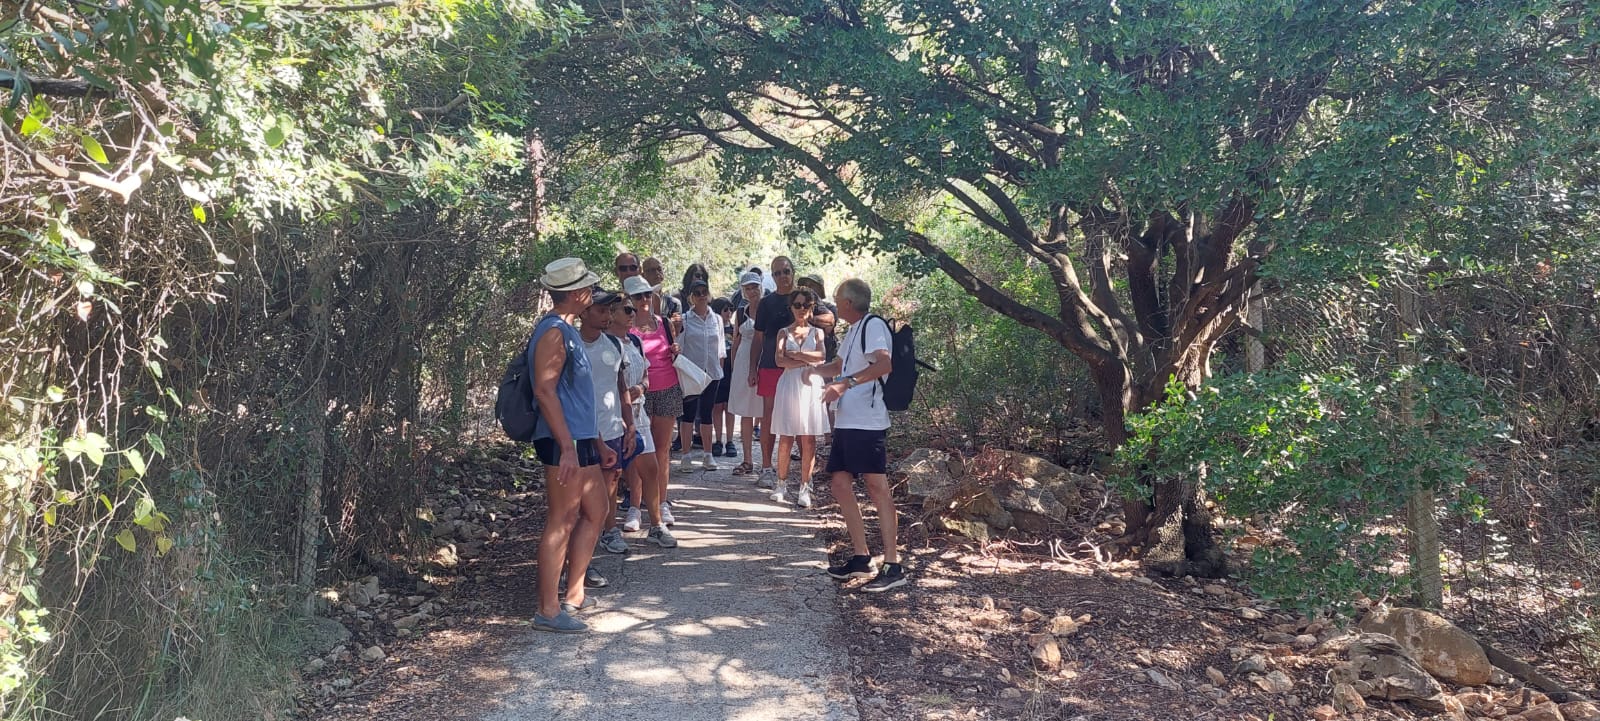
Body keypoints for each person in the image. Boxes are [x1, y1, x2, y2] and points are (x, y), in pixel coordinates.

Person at [527, 258, 617, 633]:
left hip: (581, 438)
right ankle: (548, 611)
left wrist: (595, 440)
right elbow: (544, 391)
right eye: (588, 289)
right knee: (561, 519)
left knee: (597, 509)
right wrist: (566, 446)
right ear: (577, 293)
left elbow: (577, 395)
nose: (592, 294)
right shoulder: (552, 332)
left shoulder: (567, 330)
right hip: (563, 441)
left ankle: (574, 594)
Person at [816, 278, 906, 592]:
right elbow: (840, 365)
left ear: (848, 303)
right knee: (840, 484)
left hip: (868, 421)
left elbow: (884, 364)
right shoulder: (853, 330)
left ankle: (893, 564)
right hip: (847, 420)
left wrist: (844, 384)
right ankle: (861, 557)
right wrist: (813, 370)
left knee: (876, 485)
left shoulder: (873, 326)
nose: (835, 303)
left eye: (838, 299)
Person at [612, 296, 676, 548]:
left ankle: (656, 525)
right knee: (614, 474)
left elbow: (646, 376)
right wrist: (626, 394)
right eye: (627, 309)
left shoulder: (635, 340)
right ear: (612, 313)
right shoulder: (605, 343)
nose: (633, 312)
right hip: (613, 416)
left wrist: (638, 389)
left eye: (633, 309)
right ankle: (609, 531)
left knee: (650, 468)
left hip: (639, 414)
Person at [577, 290, 637, 558]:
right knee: (584, 496)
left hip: (613, 428)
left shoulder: (614, 345)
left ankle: (609, 530)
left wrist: (630, 425)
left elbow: (621, 386)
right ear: (584, 312)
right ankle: (580, 556)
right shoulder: (572, 346)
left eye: (609, 311)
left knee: (611, 483)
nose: (607, 316)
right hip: (583, 432)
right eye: (600, 310)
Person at [625, 274, 680, 529]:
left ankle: (661, 503)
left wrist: (675, 350)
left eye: (647, 294)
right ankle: (635, 508)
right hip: (639, 394)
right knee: (637, 452)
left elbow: (671, 349)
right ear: (630, 300)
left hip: (667, 387)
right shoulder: (626, 327)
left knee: (662, 451)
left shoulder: (663, 323)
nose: (644, 300)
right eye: (638, 296)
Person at [768, 287, 829, 508]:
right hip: (790, 385)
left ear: (812, 307)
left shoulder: (817, 333)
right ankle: (781, 484)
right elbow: (779, 360)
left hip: (811, 386)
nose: (801, 309)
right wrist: (806, 360)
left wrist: (797, 355)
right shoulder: (783, 332)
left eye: (805, 305)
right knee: (786, 438)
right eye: (797, 305)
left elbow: (822, 356)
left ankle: (805, 486)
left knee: (809, 439)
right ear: (791, 307)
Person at [749, 255, 797, 489]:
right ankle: (767, 468)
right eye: (777, 273)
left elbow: (829, 318)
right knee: (768, 416)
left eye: (785, 271)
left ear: (792, 272)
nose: (782, 276)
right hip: (770, 365)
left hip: (798, 367)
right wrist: (752, 367)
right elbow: (757, 338)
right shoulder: (767, 303)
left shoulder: (804, 298)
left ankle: (787, 471)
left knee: (794, 417)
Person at [676, 278, 725, 469]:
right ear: (691, 297)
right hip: (692, 372)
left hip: (712, 372)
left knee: (707, 413)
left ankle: (707, 454)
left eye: (704, 291)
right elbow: (679, 345)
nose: (702, 295)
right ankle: (686, 455)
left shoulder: (717, 319)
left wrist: (719, 369)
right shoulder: (686, 319)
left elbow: (721, 347)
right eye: (697, 293)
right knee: (688, 414)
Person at [727, 271, 765, 476]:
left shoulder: (768, 308)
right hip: (743, 361)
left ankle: (767, 462)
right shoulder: (741, 312)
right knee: (745, 412)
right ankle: (747, 459)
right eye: (748, 288)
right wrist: (734, 369)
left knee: (766, 410)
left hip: (763, 358)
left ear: (760, 287)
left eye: (754, 287)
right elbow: (736, 340)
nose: (752, 291)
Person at [710, 297, 736, 459]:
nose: (728, 313)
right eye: (725, 309)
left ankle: (730, 440)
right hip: (718, 371)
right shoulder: (714, 330)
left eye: (730, 309)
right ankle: (718, 440)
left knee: (730, 408)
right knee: (717, 407)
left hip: (732, 372)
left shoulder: (735, 330)